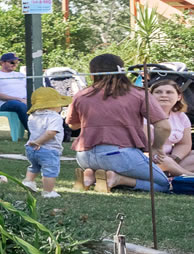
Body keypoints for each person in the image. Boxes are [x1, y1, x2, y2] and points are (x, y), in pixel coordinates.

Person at [67, 53, 171, 193]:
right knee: (164, 185)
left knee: (101, 165)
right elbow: (163, 127)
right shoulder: (138, 94)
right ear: (122, 71)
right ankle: (117, 179)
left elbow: (73, 125)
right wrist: (157, 147)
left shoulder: (81, 95)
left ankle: (90, 176)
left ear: (92, 74)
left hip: (85, 156)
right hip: (120, 155)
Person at [20, 88, 71, 198]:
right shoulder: (55, 117)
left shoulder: (33, 116)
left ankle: (28, 181)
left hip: (30, 148)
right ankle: (48, 192)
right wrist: (38, 142)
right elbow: (50, 133)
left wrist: (34, 143)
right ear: (53, 105)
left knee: (34, 166)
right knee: (50, 170)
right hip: (48, 149)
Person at [148, 79, 193, 176]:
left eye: (169, 92)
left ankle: (169, 173)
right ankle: (188, 176)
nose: (164, 95)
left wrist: (174, 158)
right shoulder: (143, 115)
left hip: (170, 158)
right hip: (148, 157)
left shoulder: (181, 116)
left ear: (179, 97)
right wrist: (166, 159)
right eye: (158, 92)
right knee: (164, 160)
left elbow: (184, 144)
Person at [0, 52, 30, 137]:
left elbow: (29, 89)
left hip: (24, 100)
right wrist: (19, 99)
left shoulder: (20, 75)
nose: (15, 64)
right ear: (2, 63)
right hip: (7, 103)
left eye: (17, 62)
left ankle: (58, 130)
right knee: (20, 105)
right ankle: (34, 132)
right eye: (12, 62)